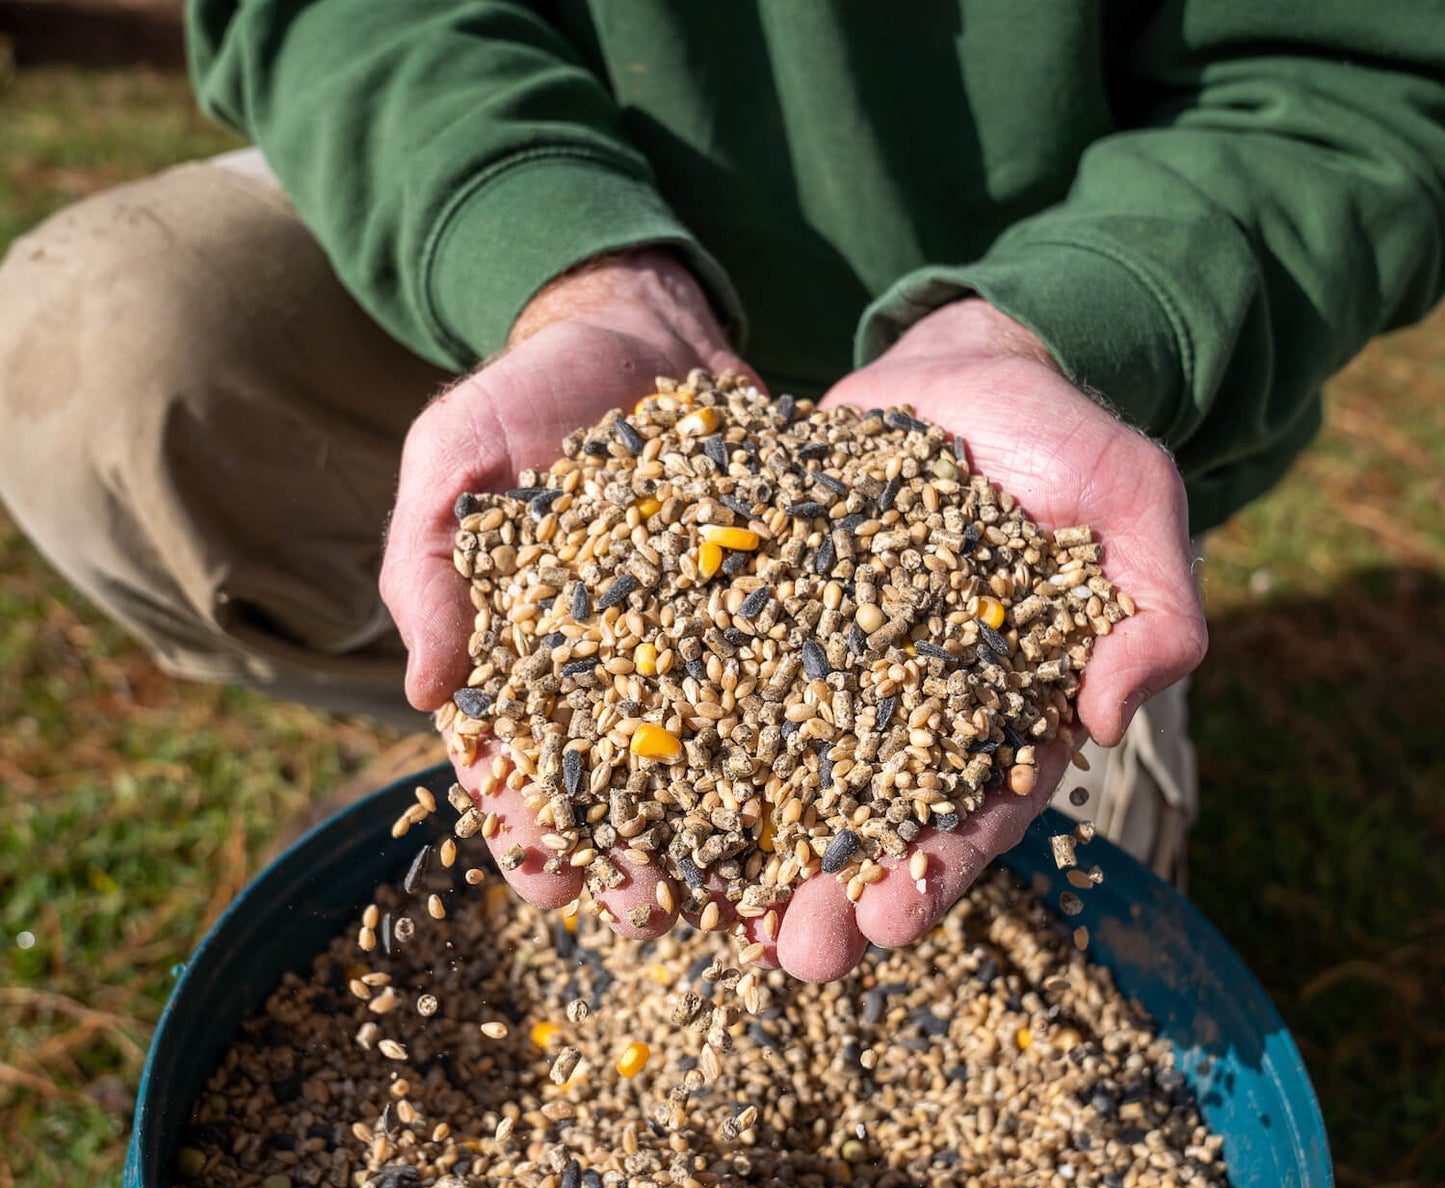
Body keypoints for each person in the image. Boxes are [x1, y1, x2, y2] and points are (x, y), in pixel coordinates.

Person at [2, 3, 1441, 982]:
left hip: (1035, 410)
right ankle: (526, 731)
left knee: (1011, 930)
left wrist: (1072, 323)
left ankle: (1093, 689)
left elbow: (1362, 71)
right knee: (102, 344)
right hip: (576, 247)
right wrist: (559, 263)